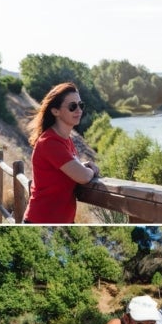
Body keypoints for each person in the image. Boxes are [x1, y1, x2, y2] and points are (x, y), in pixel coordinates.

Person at [23, 82, 99, 223]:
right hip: (41, 220)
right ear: (55, 111)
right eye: (72, 106)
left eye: (80, 105)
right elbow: (83, 177)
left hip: (61, 220)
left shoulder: (65, 139)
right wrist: (91, 171)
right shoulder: (50, 142)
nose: (79, 110)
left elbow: (61, 169)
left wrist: (82, 165)